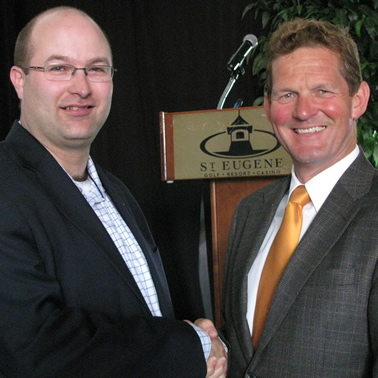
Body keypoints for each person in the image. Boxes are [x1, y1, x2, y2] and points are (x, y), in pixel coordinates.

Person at [0, 6, 227, 377]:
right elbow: (34, 347)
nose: (82, 86)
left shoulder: (116, 192)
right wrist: (190, 344)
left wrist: (182, 336)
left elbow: (140, 313)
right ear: (20, 80)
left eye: (96, 68)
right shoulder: (6, 187)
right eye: (59, 68)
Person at [221, 18, 377, 377]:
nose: (304, 111)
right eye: (287, 94)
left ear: (358, 100)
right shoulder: (249, 212)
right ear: (268, 107)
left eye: (323, 91)